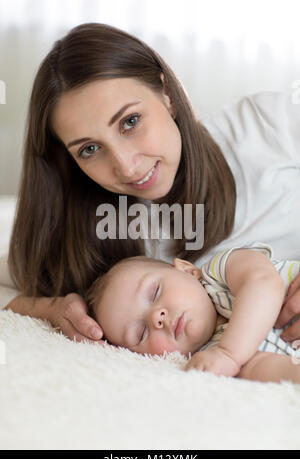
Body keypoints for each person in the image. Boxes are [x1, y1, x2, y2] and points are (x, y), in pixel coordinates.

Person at [1, 22, 300, 344]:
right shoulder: (95, 233)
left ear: (167, 93)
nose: (126, 167)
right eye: (89, 149)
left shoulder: (270, 123)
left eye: (130, 122)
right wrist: (48, 307)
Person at [84, 242, 300, 383]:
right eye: (140, 333)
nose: (156, 318)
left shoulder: (220, 271)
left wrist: (229, 354)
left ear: (188, 271)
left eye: (155, 292)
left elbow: (262, 282)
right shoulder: (210, 358)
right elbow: (269, 370)